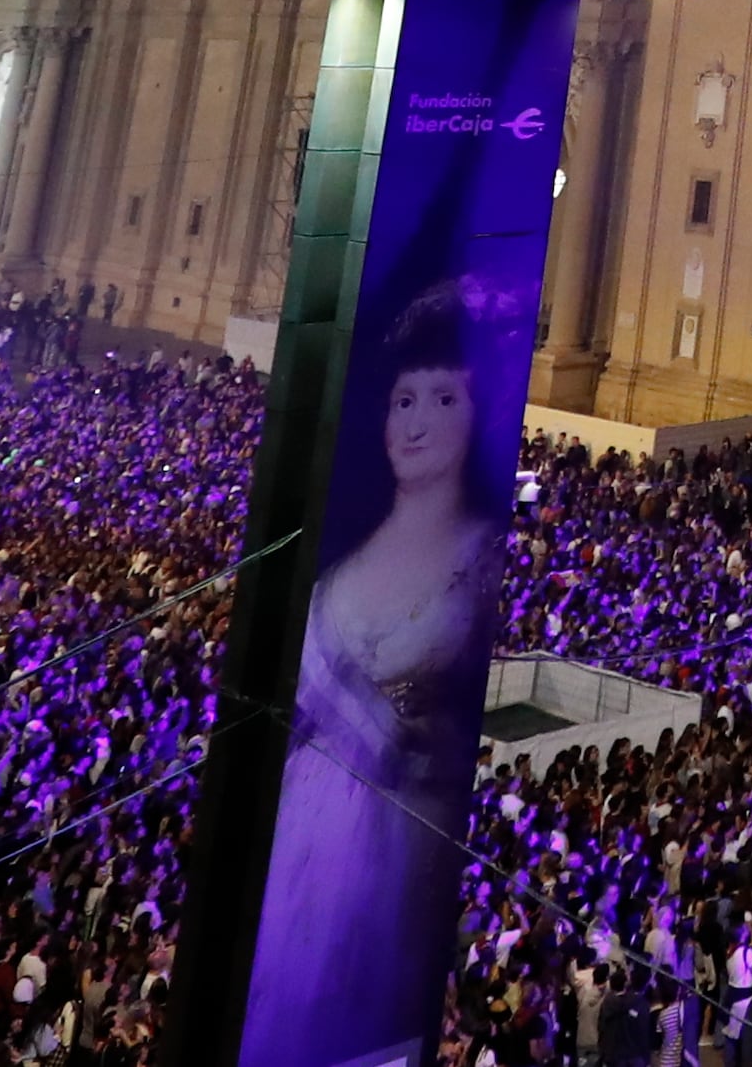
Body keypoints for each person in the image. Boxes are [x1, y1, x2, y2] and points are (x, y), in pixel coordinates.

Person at [237, 278, 516, 1067]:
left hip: (400, 852)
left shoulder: (483, 564)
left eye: (442, 399)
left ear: (477, 412)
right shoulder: (339, 567)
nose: (417, 422)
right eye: (403, 400)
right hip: (303, 838)